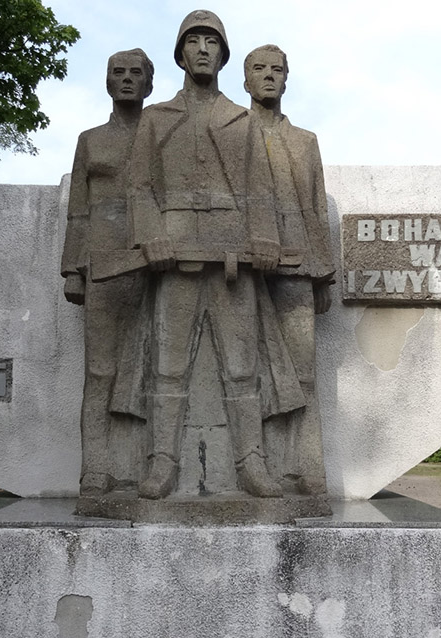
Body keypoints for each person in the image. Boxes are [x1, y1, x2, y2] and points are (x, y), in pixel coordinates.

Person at [123, 11, 305, 500]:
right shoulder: (156, 119)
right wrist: (152, 235)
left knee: (243, 365)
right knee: (168, 365)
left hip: (232, 255)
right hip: (174, 255)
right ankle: (161, 461)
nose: (203, 49)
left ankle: (252, 463)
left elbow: (260, 191)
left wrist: (263, 240)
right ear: (181, 53)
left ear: (222, 55)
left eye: (212, 42)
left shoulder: (240, 121)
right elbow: (139, 188)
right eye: (194, 41)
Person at [61, 49, 154, 496]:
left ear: (150, 84)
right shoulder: (90, 140)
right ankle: (94, 470)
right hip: (101, 267)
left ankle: (150, 470)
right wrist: (72, 270)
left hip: (152, 267)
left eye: (136, 73)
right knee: (100, 373)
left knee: (155, 374)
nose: (127, 80)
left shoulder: (160, 136)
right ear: (106, 81)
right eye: (118, 72)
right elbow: (77, 210)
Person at [244, 44, 335, 494]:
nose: (268, 77)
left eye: (277, 70)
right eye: (259, 69)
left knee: (302, 373)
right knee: (247, 372)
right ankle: (252, 467)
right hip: (242, 268)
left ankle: (306, 467)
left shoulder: (305, 142)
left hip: (298, 266)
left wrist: (325, 275)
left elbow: (316, 208)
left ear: (286, 79)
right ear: (244, 80)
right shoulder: (231, 133)